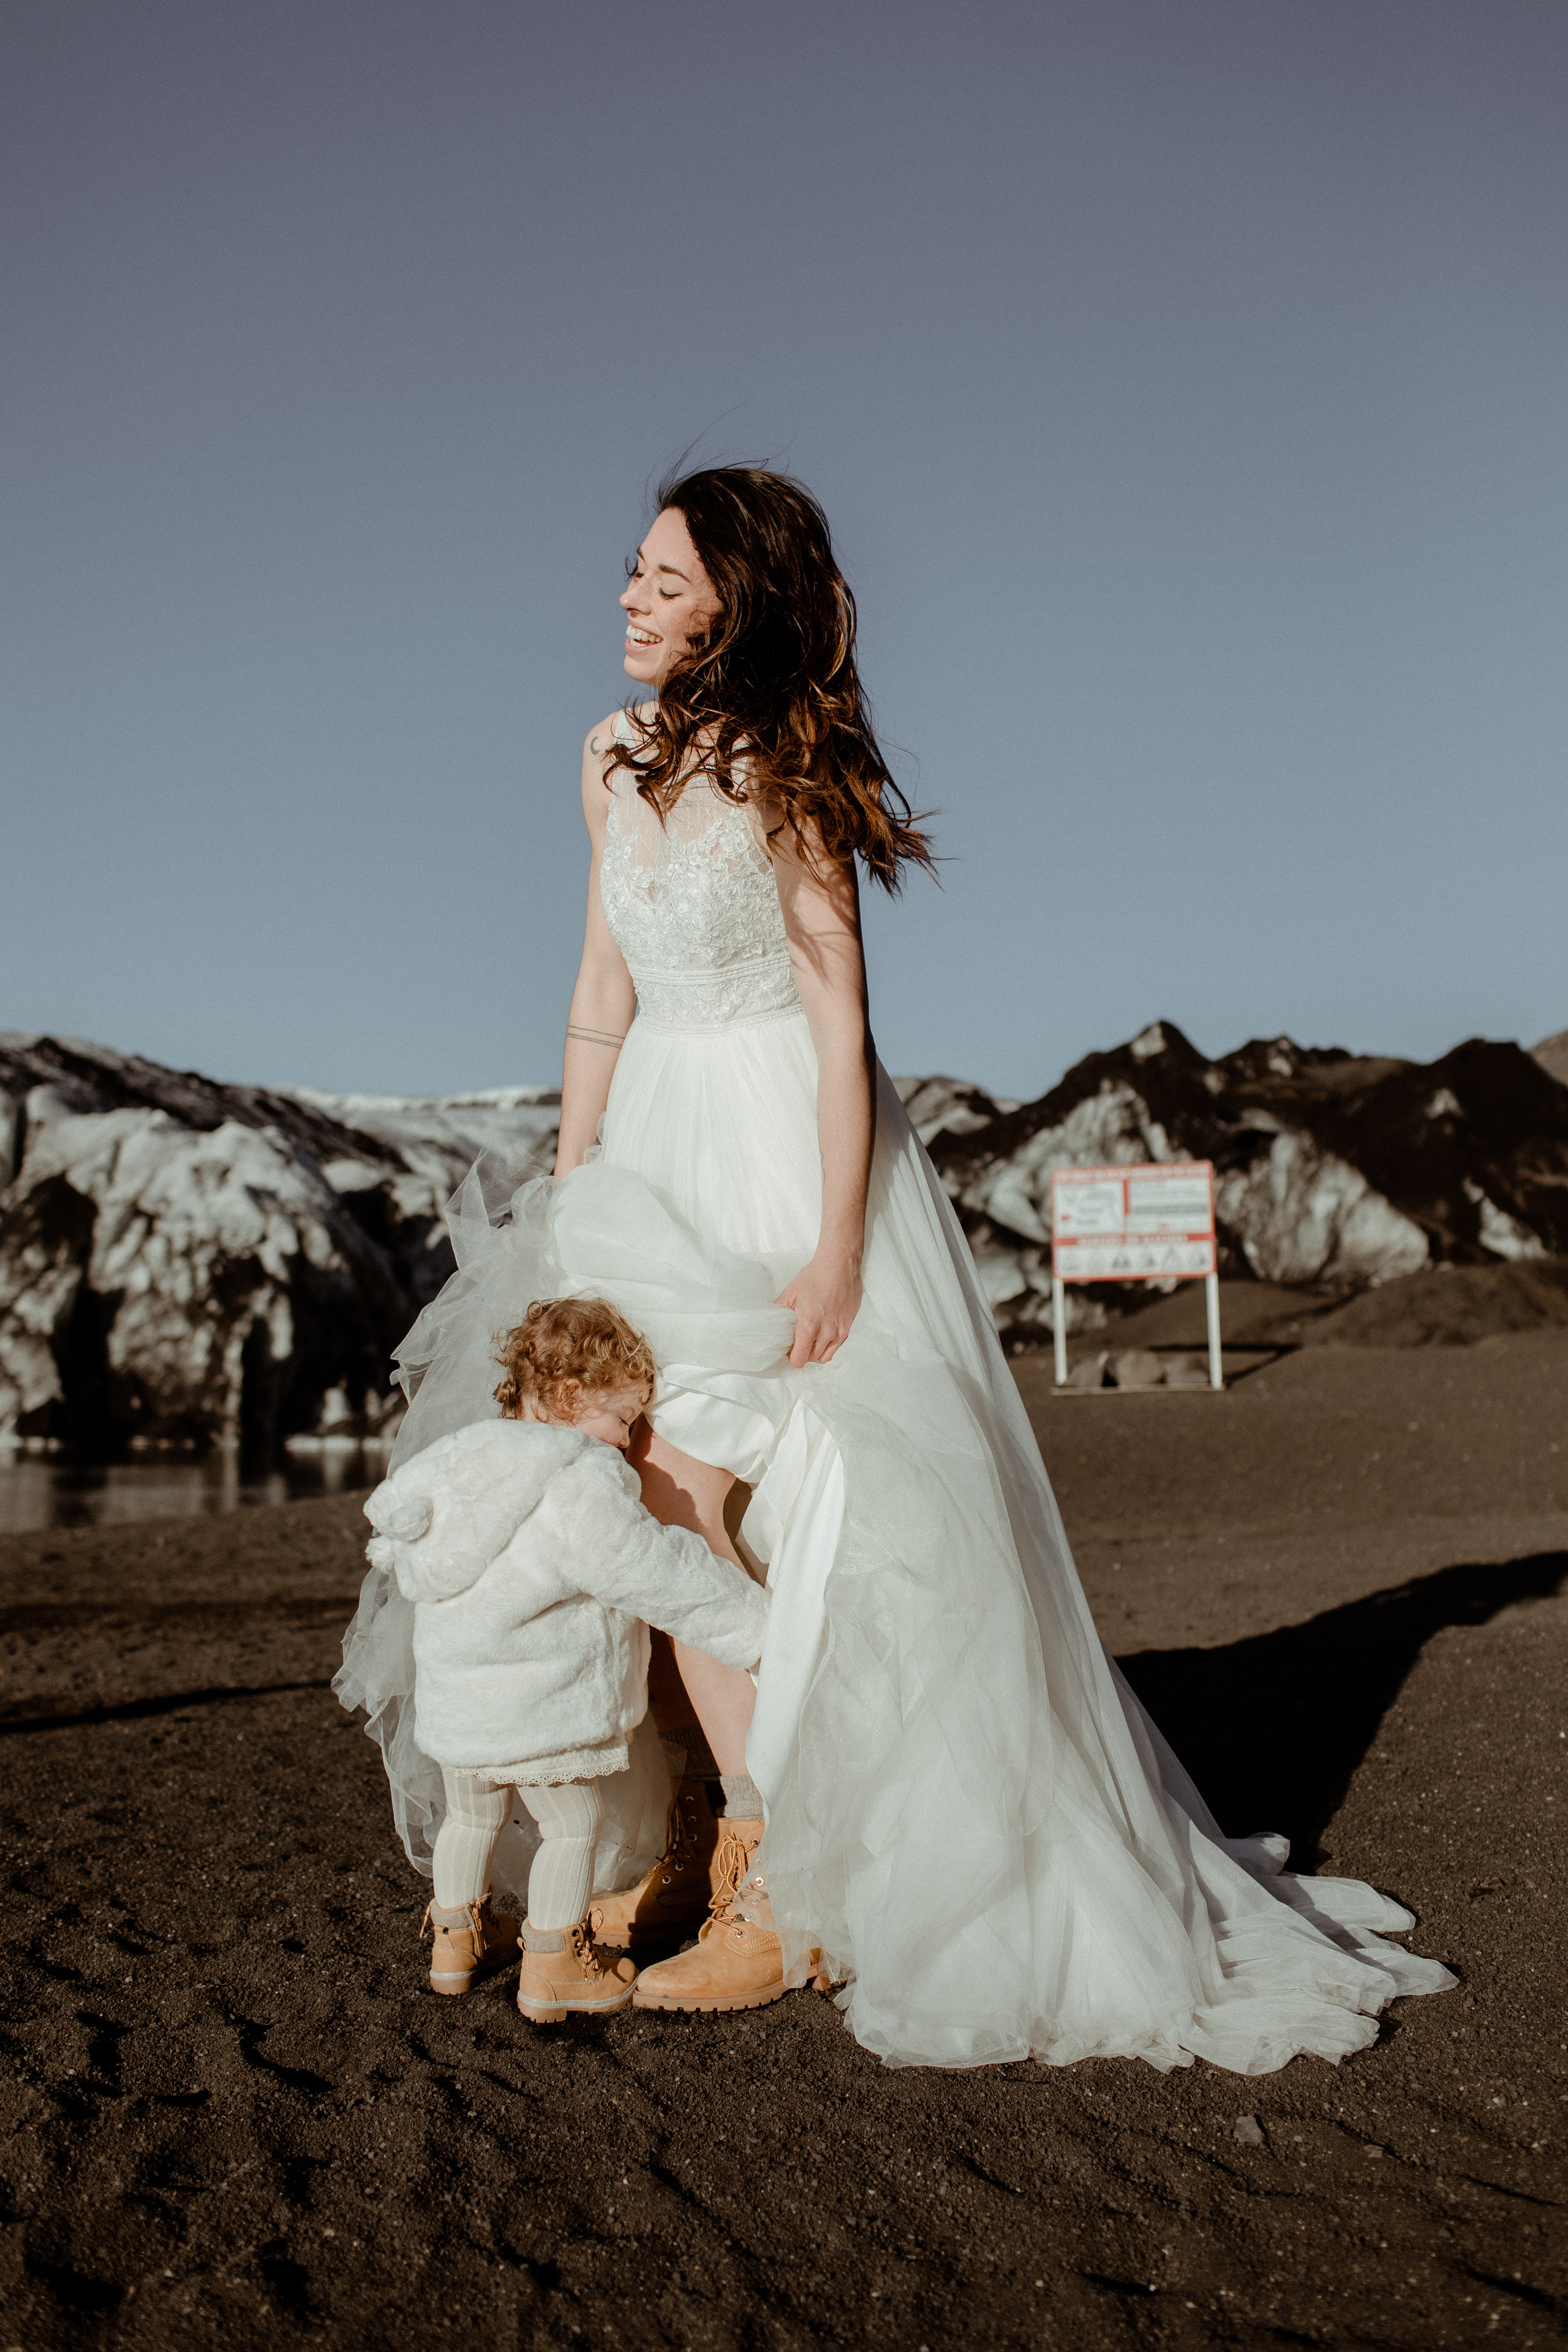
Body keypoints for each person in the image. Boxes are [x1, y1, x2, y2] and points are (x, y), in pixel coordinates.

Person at [350, 463, 1452, 2070]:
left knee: (707, 1488)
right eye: (632, 575)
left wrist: (831, 1248)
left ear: (736, 598)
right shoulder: (605, 757)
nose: (628, 600)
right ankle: (713, 1843)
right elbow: (601, 984)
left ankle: (781, 1877)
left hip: (782, 1147)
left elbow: (833, 1015)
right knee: (608, 1484)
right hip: (643, 1152)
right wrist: (569, 1171)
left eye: (660, 578)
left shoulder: (787, 760)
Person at [360, 1295, 768, 2024]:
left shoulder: (457, 1461)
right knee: (572, 1823)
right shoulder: (579, 1479)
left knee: (469, 1818)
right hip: (542, 1705)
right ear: (571, 1398)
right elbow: (649, 1571)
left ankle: (455, 1941)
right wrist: (753, 1625)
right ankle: (554, 1962)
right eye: (622, 1418)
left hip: (461, 1704)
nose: (628, 1439)